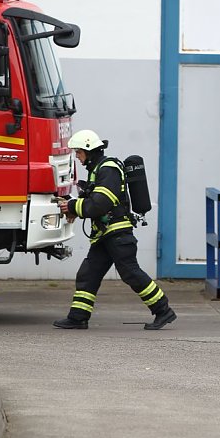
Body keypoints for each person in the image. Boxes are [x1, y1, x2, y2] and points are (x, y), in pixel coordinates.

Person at [52, 129, 177, 330]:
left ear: (89, 150)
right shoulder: (97, 170)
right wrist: (74, 203)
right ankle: (78, 317)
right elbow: (93, 201)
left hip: (117, 235)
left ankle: (163, 310)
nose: (77, 157)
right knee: (88, 274)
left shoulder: (108, 169)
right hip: (105, 236)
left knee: (130, 273)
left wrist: (74, 206)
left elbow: (101, 203)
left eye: (79, 152)